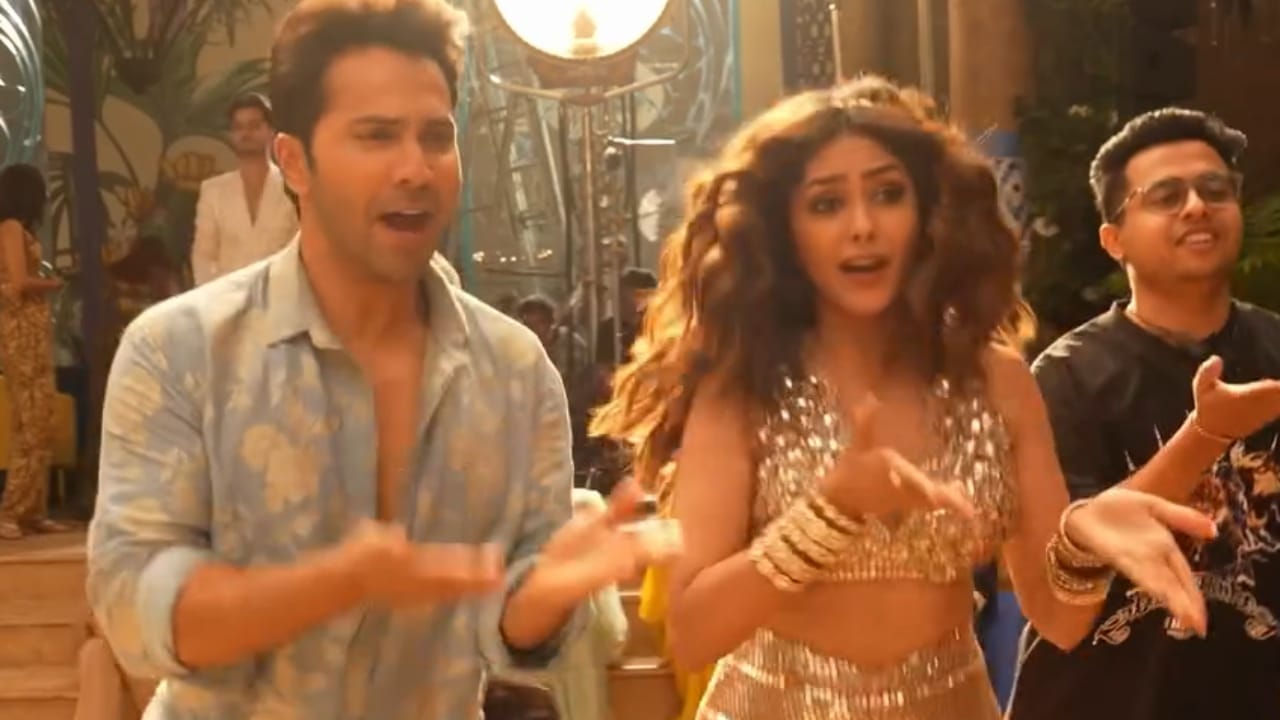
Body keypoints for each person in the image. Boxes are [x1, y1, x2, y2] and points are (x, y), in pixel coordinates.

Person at [87, 1, 677, 716]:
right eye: (376, 136)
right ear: (293, 161)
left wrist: (546, 595)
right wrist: (331, 583)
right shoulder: (180, 350)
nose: (415, 169)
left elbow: (513, 623)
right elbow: (135, 608)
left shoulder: (515, 369)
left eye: (436, 137)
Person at [589, 76, 1223, 719]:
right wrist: (831, 513)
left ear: (927, 212)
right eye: (827, 204)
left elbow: (1061, 621)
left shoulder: (996, 381)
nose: (863, 226)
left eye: (888, 194)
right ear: (785, 230)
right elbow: (694, 633)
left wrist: (1083, 541)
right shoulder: (744, 387)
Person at [1006, 110, 1280, 719]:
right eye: (1166, 196)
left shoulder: (1275, 354)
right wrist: (1207, 433)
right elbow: (1056, 592)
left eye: (1215, 190)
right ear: (1114, 240)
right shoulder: (1065, 379)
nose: (1197, 207)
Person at [0, 163, 67, 540]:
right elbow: (18, 282)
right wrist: (52, 283)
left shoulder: (20, 229)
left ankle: (33, 510)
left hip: (31, 329)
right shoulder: (10, 227)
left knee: (42, 415)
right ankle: (11, 511)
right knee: (31, 419)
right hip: (20, 330)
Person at [190, 92, 299, 285]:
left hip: (280, 293)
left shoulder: (293, 186)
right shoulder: (213, 190)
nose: (245, 133)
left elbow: (303, 253)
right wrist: (220, 297)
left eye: (254, 126)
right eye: (238, 127)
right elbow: (203, 256)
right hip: (225, 296)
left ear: (271, 131)